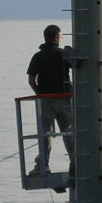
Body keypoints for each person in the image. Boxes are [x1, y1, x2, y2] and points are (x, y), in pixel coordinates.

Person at [26, 24, 74, 175]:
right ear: (58, 37)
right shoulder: (64, 54)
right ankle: (77, 162)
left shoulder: (38, 56)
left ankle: (43, 165)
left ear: (45, 37)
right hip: (66, 97)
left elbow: (31, 80)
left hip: (46, 99)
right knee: (69, 131)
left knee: (46, 133)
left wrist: (39, 93)